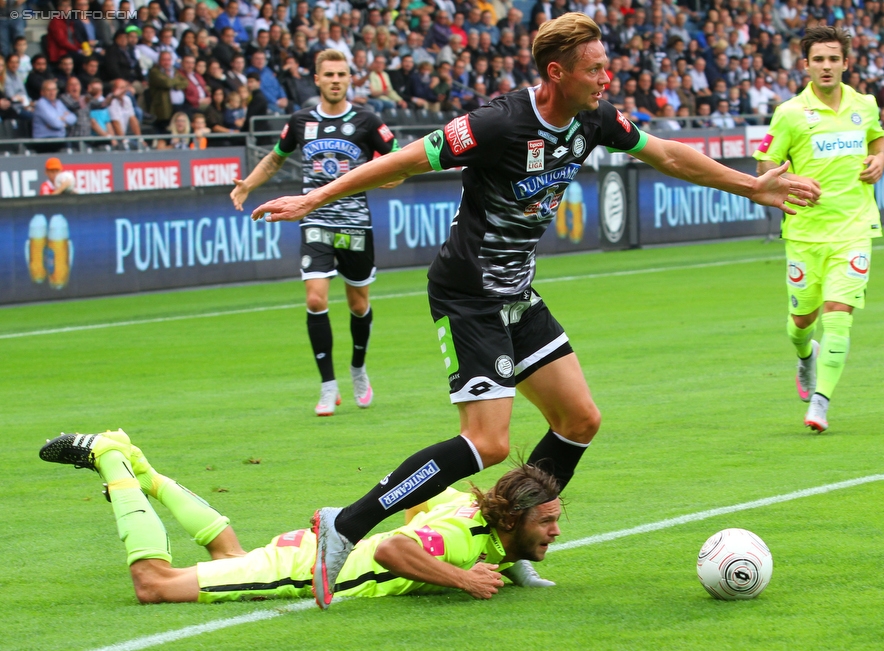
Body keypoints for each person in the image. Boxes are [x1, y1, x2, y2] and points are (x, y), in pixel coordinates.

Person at [250, 13, 816, 610]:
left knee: (579, 420)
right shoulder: (497, 124)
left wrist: (752, 187)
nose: (607, 77)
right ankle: (347, 523)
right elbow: (404, 161)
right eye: (595, 68)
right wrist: (315, 196)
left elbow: (668, 155)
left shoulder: (593, 119)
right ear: (557, 72)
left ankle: (507, 545)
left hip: (517, 294)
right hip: (468, 294)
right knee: (488, 443)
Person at [38, 430, 558, 605]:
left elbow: (414, 496)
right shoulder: (461, 538)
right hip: (298, 573)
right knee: (155, 584)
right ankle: (111, 457)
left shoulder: (467, 508)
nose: (555, 531)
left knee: (230, 556)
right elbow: (391, 550)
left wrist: (511, 560)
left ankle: (148, 474)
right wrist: (463, 578)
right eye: (546, 522)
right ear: (510, 518)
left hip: (309, 552)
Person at [232, 50, 402, 417]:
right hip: (314, 220)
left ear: (349, 79)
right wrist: (247, 184)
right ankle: (328, 386)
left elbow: (399, 162)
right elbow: (276, 158)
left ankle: (358, 369)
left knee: (358, 304)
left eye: (342, 73)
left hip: (355, 223)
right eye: (329, 74)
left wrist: (388, 177)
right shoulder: (301, 121)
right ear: (317, 79)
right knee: (315, 299)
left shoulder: (367, 120)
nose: (336, 79)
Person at [754, 26, 884, 434]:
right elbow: (764, 167)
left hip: (854, 228)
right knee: (801, 322)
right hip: (805, 233)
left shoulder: (865, 105)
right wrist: (790, 181)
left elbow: (878, 142)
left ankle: (821, 402)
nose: (826, 66)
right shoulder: (791, 113)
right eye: (819, 60)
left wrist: (881, 158)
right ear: (806, 65)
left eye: (833, 59)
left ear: (845, 63)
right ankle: (804, 356)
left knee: (839, 315)